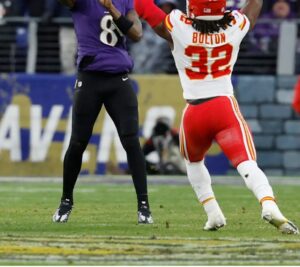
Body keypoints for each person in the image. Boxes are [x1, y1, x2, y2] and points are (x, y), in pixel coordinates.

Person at [136, 0, 299, 234]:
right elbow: (253, 7)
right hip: (223, 108)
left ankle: (213, 213)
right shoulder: (234, 25)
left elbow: (145, 8)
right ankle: (269, 204)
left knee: (193, 162)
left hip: (194, 111)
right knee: (246, 162)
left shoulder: (178, 25)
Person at [52, 0, 153, 224]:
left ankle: (144, 206)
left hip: (119, 78)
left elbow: (137, 33)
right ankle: (66, 200)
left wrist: (113, 9)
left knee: (131, 140)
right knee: (78, 142)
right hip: (90, 78)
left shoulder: (125, 1)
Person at [41, 0, 76, 74]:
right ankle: (69, 81)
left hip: (88, 25)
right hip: (68, 25)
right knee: (67, 56)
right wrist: (49, 12)